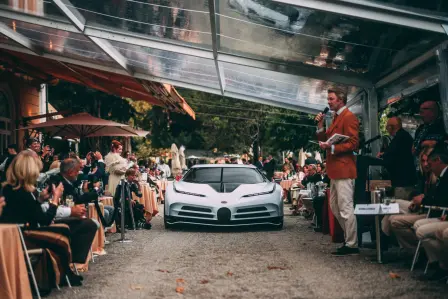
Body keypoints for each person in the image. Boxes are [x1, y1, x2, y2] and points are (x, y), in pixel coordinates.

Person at [0, 150, 83, 287]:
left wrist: (39, 200)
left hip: (20, 231)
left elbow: (28, 211)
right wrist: (55, 199)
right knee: (62, 236)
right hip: (21, 235)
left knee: (63, 230)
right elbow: (43, 219)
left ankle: (65, 271)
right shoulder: (23, 192)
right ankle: (64, 273)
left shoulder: (13, 189)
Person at [315, 87, 360, 255]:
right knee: (335, 207)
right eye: (328, 98)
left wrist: (332, 147)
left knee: (345, 207)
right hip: (334, 170)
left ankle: (352, 244)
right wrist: (320, 125)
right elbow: (324, 138)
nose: (328, 101)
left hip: (344, 168)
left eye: (331, 99)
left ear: (340, 100)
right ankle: (350, 237)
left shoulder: (349, 117)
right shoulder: (335, 117)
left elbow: (354, 144)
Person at [377, 117, 417, 200]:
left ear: (391, 127)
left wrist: (383, 155)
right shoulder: (403, 136)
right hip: (405, 179)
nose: (387, 129)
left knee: (401, 205)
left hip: (403, 181)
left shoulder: (400, 137)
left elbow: (393, 155)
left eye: (387, 127)